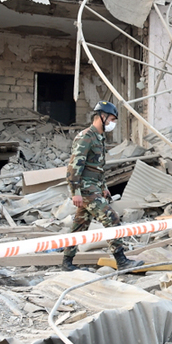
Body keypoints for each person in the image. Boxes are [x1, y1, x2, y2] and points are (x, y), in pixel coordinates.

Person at [62, 101, 144, 271]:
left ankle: (67, 262)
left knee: (80, 224)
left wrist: (104, 186)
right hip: (85, 188)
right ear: (101, 116)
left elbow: (97, 167)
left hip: (93, 186)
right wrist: (75, 192)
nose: (112, 123)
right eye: (111, 119)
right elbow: (74, 166)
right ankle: (121, 260)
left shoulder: (99, 138)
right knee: (111, 218)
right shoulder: (86, 137)